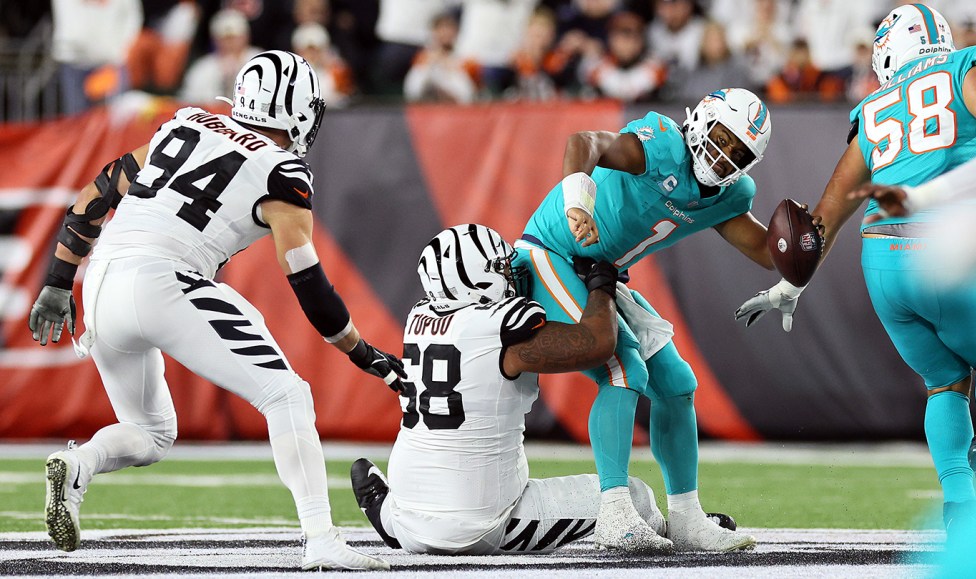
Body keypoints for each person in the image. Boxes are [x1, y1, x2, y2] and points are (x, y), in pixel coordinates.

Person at [28, 50, 405, 571]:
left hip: (101, 281)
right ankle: (321, 538)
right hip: (164, 278)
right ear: (299, 112)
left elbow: (93, 198)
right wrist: (362, 353)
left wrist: (55, 283)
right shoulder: (282, 172)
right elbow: (310, 285)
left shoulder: (184, 124)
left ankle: (78, 463)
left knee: (153, 433)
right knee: (287, 395)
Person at [736, 4, 976, 530]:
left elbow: (824, 218)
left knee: (944, 383)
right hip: (947, 241)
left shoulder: (872, 109)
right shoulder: (968, 65)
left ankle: (959, 500)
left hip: (883, 262)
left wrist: (792, 281)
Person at [514, 87, 772, 552]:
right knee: (623, 367)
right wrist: (578, 202)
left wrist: (815, 237)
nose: (724, 155)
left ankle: (687, 517)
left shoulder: (727, 195)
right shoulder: (662, 145)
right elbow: (584, 142)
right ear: (700, 122)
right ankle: (613, 512)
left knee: (676, 383)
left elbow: (769, 252)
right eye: (722, 137)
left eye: (738, 152)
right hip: (551, 251)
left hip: (602, 274)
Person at [351, 224, 670, 555]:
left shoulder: (418, 318)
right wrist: (601, 285)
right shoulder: (499, 328)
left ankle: (388, 518)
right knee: (635, 496)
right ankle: (674, 526)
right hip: (482, 524)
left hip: (409, 512)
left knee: (417, 508)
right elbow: (597, 343)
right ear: (475, 278)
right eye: (500, 267)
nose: (510, 274)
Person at [178, 9, 262, 105]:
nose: (230, 43)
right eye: (224, 38)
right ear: (215, 40)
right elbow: (188, 103)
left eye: (234, 37)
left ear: (246, 36)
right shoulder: (203, 68)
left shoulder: (260, 61)